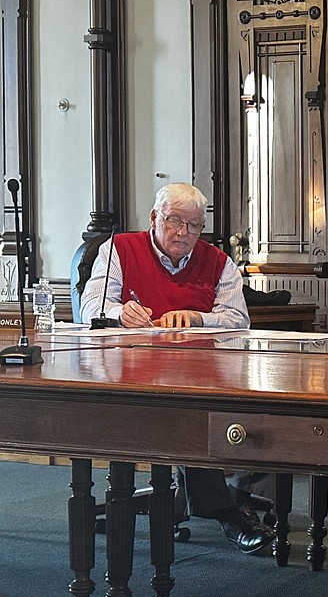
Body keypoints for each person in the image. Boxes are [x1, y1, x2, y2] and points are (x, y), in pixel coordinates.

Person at [81, 183, 275, 555]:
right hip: (130, 376)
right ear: (155, 218)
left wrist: (200, 319)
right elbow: (90, 306)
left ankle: (234, 496)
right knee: (189, 414)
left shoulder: (218, 261)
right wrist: (119, 312)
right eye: (174, 221)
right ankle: (228, 512)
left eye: (195, 225)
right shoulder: (119, 249)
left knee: (264, 410)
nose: (184, 233)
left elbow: (239, 320)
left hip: (202, 374)